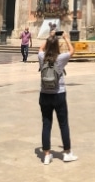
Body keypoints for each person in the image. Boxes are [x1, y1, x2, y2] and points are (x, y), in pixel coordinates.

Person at [37, 31, 77, 165]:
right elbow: (72, 51)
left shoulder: (41, 57)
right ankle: (67, 153)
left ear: (48, 44)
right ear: (57, 46)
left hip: (44, 94)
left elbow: (40, 48)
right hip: (59, 94)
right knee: (63, 124)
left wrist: (50, 37)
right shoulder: (61, 58)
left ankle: (47, 155)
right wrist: (65, 38)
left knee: (46, 124)